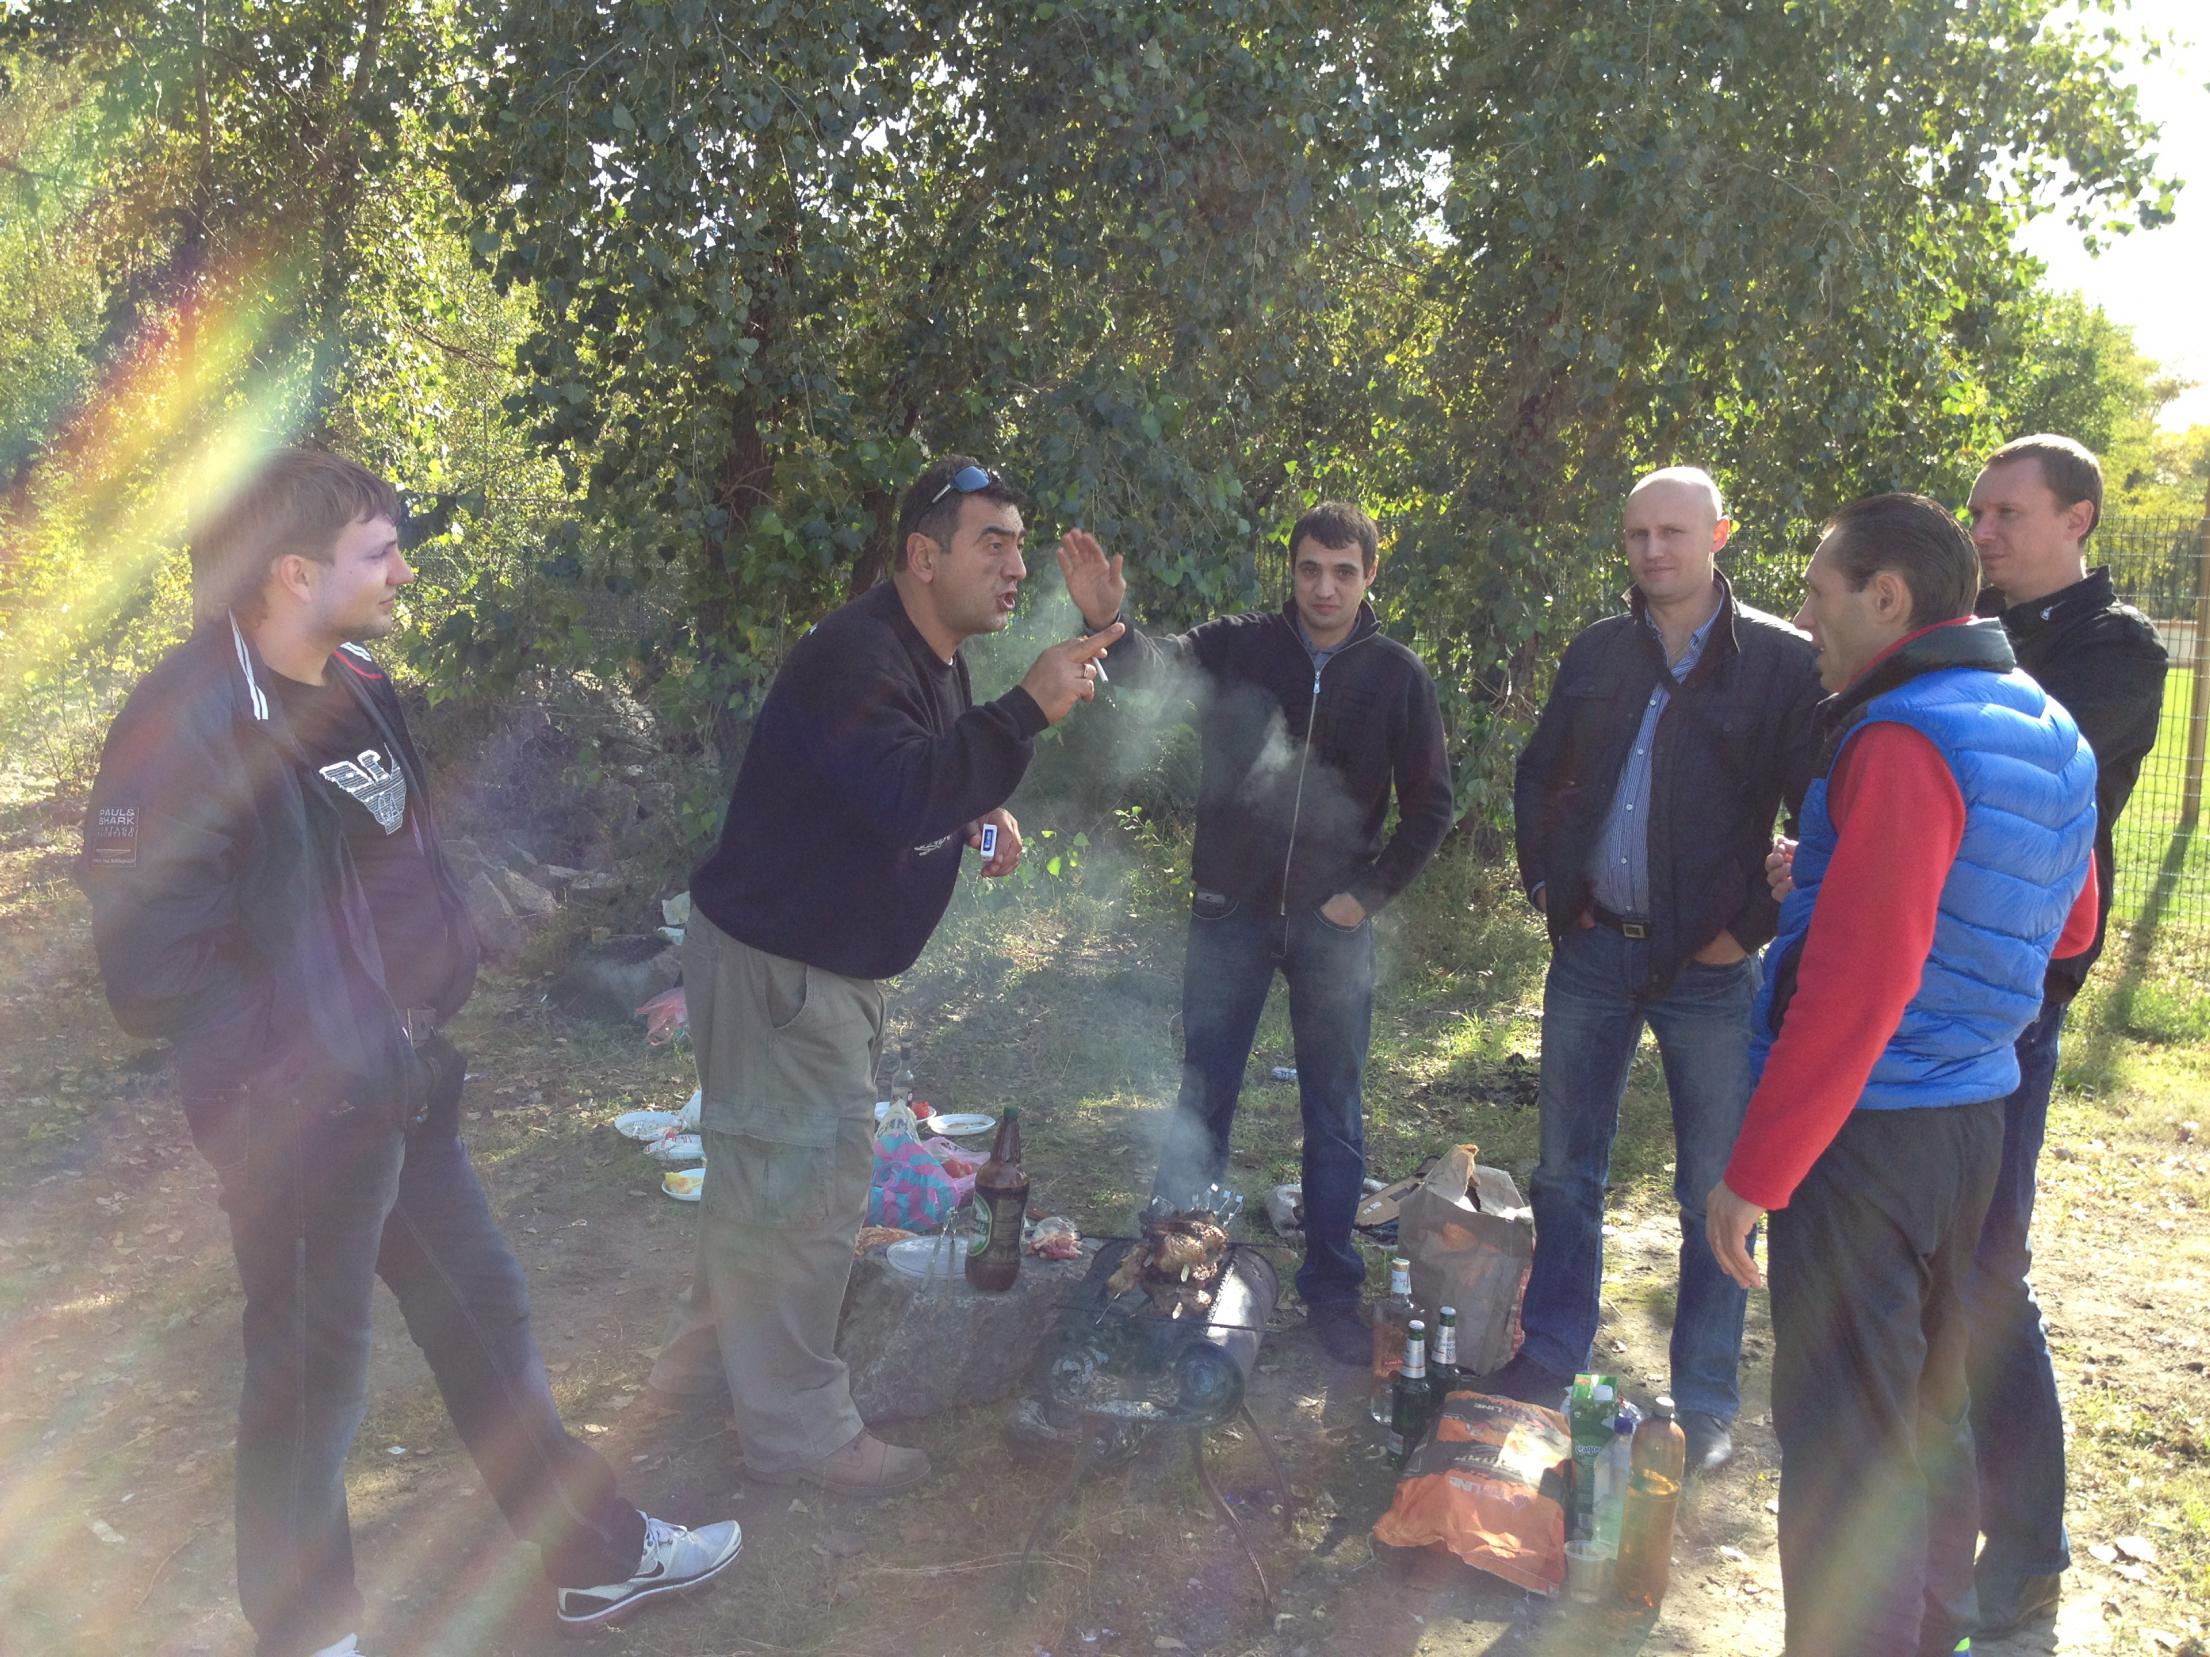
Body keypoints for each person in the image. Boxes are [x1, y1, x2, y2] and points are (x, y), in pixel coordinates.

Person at [76, 449, 741, 1657]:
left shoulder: (356, 680)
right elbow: (151, 966)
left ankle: (594, 1560)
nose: (404, 571)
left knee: (482, 1310)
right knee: (310, 1380)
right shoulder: (185, 723)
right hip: (295, 1116)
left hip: (401, 1084)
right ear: (292, 573)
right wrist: (295, 1072)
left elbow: (381, 864)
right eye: (379, 552)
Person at [650, 457, 1119, 1491]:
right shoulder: (857, 656)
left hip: (803, 966)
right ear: (923, 555)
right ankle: (800, 1435)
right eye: (990, 544)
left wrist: (978, 806)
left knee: (760, 1192)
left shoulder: (928, 655)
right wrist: (1023, 714)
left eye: (1018, 545)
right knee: (805, 1204)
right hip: (785, 973)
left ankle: (695, 1393)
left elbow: (901, 778)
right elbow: (905, 789)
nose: (1014, 567)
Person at [1707, 492, 2099, 1657]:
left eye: (1816, 592)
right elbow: (2069, 924)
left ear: (1886, 598)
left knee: (1844, 1450)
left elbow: (1857, 991)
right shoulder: (2046, 725)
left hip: (1869, 1135)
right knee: (1927, 1413)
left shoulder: (1900, 734)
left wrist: (1753, 1175)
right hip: (1973, 1120)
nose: (1801, 617)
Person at [1057, 503, 1454, 1363]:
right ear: (1292, 569)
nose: (1324, 587)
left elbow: (1433, 806)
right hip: (1228, 911)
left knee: (1334, 1111)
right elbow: (1155, 672)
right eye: (1310, 568)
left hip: (1331, 925)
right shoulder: (1241, 645)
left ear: (1369, 575)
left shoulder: (1396, 675)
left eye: (1343, 572)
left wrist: (1364, 897)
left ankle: (1332, 1291)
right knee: (1204, 1093)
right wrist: (1106, 622)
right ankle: (1175, 1266)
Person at [1497, 467, 1822, 1473]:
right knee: (1565, 1171)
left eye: (1672, 532)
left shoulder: (1780, 661)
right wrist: (1551, 885)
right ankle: (1551, 1349)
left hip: (1708, 969)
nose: (1651, 551)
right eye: (1636, 533)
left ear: (1719, 534)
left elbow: (1816, 815)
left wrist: (1748, 929)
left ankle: (1705, 1399)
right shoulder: (1599, 648)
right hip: (1593, 948)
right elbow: (1540, 772)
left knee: (1712, 1189)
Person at [1962, 433, 2167, 1634]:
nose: (1981, 531)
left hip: (2019, 995)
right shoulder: (1981, 628)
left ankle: (2027, 1553)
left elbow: (2009, 777)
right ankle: (1934, 1523)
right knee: (1932, 1266)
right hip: (1939, 981)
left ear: (2075, 518)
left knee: (1987, 1272)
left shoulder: (2112, 650)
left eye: (2005, 513)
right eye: (1974, 514)